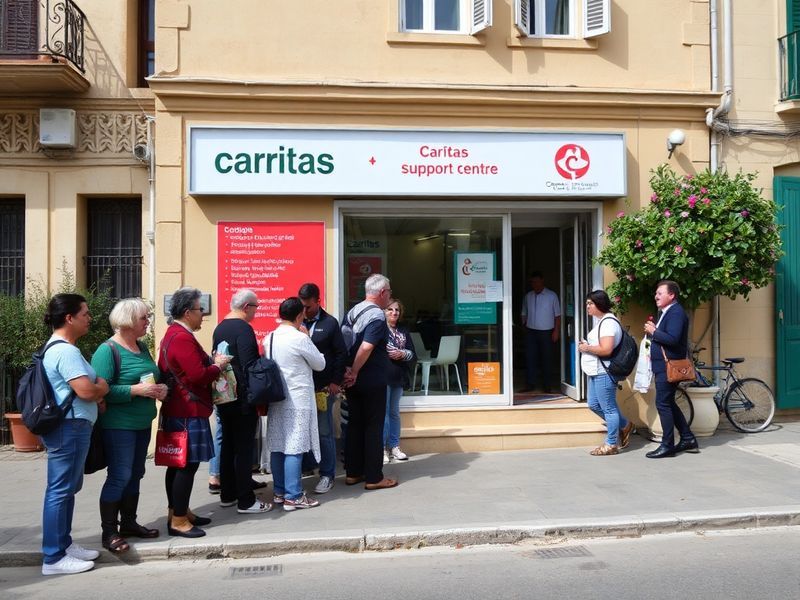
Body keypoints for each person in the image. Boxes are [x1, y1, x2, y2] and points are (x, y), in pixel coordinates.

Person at [91, 298, 167, 554]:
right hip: (118, 424)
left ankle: (130, 523)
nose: (148, 322)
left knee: (136, 474)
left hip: (142, 422)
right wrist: (136, 390)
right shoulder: (107, 350)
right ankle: (109, 532)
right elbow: (100, 390)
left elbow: (151, 376)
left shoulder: (141, 346)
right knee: (120, 475)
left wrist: (159, 388)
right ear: (128, 321)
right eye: (144, 318)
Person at [40, 293, 109, 576]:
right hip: (69, 427)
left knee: (66, 489)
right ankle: (53, 557)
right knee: (59, 491)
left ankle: (63, 545)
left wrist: (96, 391)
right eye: (85, 314)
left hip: (73, 426)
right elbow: (87, 391)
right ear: (69, 318)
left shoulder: (63, 348)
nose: (89, 318)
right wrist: (102, 387)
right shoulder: (65, 351)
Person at [158, 287, 231, 536]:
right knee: (186, 466)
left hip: (180, 408)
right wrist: (218, 366)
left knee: (178, 465)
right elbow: (198, 375)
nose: (203, 315)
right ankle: (178, 520)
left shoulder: (173, 334)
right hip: (187, 410)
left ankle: (178, 511)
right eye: (201, 310)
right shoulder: (181, 337)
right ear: (188, 312)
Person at [211, 289, 272, 514]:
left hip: (224, 395)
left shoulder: (220, 327)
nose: (257, 311)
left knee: (228, 444)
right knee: (244, 448)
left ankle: (228, 494)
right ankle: (246, 501)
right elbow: (249, 365)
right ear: (246, 307)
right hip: (242, 397)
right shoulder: (244, 329)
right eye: (256, 307)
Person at [267, 297, 326, 511]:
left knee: (277, 445)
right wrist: (308, 338)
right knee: (295, 447)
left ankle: (280, 492)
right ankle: (294, 495)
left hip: (277, 398)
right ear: (300, 315)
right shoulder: (300, 338)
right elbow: (320, 364)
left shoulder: (270, 337)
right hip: (298, 398)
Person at [342, 273, 398, 490]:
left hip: (352, 380)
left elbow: (345, 341)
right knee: (374, 426)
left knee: (355, 424)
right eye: (390, 292)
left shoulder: (353, 311)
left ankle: (353, 473)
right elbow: (366, 347)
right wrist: (355, 371)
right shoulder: (376, 315)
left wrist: (347, 371)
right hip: (370, 378)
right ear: (383, 292)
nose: (390, 296)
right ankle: (374, 477)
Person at [298, 282, 347, 495]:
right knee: (304, 430)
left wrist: (336, 382)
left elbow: (340, 354)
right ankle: (307, 466)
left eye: (308, 306)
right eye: (302, 306)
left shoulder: (329, 323)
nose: (305, 311)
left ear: (318, 301)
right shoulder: (295, 322)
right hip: (300, 388)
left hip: (323, 388)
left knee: (324, 431)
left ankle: (327, 474)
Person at [643, 280, 699, 459]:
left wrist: (654, 332)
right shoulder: (666, 312)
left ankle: (667, 445)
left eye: (660, 293)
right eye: (656, 293)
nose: (656, 296)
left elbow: (673, 339)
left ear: (671, 295)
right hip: (662, 366)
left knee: (663, 403)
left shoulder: (675, 313)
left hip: (669, 366)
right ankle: (688, 438)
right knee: (668, 403)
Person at [577, 291, 634, 456]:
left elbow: (606, 349)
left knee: (609, 408)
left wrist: (587, 348)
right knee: (594, 404)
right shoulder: (601, 322)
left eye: (590, 303)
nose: (587, 306)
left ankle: (610, 444)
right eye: (587, 303)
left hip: (604, 372)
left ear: (599, 304)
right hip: (596, 371)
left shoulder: (608, 323)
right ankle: (625, 425)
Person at [383, 298, 416, 463]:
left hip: (399, 376)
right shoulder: (381, 329)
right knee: (384, 413)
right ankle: (382, 449)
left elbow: (412, 353)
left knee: (394, 412)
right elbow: (382, 350)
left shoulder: (404, 330)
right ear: (384, 311)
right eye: (390, 309)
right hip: (383, 376)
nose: (394, 313)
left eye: (396, 310)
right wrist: (398, 352)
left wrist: (403, 354)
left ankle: (395, 446)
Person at [520, 271, 561, 393]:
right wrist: (524, 326)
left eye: (537, 281)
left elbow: (557, 315)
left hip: (547, 332)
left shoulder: (552, 296)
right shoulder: (528, 296)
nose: (535, 284)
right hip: (531, 331)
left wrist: (556, 331)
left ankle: (547, 385)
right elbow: (524, 312)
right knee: (530, 358)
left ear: (542, 281)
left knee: (546, 359)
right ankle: (530, 384)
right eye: (532, 282)